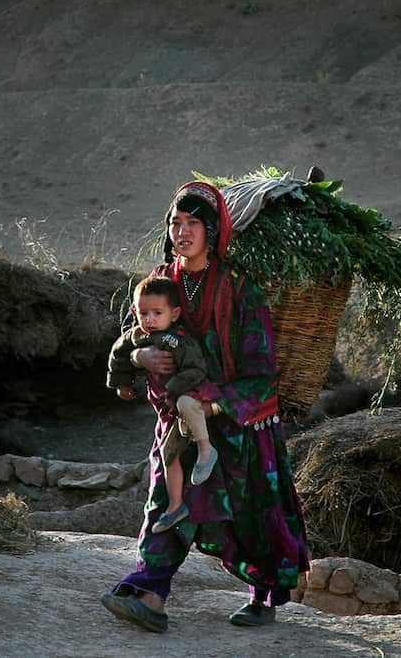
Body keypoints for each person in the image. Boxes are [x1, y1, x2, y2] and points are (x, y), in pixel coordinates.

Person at [100, 181, 310, 634]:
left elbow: (261, 368)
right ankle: (151, 594)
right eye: (176, 222)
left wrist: (213, 405)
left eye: (193, 222)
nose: (183, 231)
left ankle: (262, 596)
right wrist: (138, 358)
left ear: (212, 230)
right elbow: (134, 336)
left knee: (251, 513)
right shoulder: (160, 284)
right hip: (177, 418)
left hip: (238, 423)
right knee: (166, 502)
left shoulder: (240, 290)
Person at [107, 276, 219, 533]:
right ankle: (175, 506)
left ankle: (205, 449)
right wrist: (123, 383)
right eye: (144, 313)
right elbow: (118, 354)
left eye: (157, 313)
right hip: (165, 409)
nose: (149, 319)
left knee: (186, 403)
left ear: (175, 313)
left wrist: (172, 389)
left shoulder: (176, 340)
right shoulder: (136, 337)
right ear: (135, 311)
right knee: (169, 455)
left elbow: (196, 368)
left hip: (188, 396)